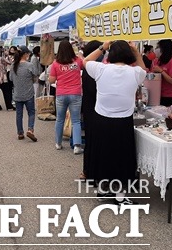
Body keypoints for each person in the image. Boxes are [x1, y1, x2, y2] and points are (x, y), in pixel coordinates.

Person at [83, 40, 147, 205]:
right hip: (123, 122)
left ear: (110, 54)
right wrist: (136, 52)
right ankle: (120, 196)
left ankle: (104, 190)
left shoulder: (101, 69)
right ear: (128, 55)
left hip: (101, 120)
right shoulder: (134, 73)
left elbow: (85, 61)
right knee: (121, 158)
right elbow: (144, 69)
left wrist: (101, 47)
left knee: (104, 156)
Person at [49, 40, 84, 154]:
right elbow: (85, 64)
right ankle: (77, 146)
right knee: (76, 121)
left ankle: (58, 143)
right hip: (76, 93)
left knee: (60, 119)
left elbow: (52, 80)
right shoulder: (77, 61)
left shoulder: (55, 64)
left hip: (61, 94)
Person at [80, 40, 103, 181]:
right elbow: (94, 91)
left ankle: (87, 171)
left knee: (91, 142)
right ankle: (89, 172)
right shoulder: (92, 69)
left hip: (89, 108)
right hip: (93, 110)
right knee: (93, 142)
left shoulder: (90, 68)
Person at [9, 46, 41, 141]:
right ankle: (30, 130)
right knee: (31, 112)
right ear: (25, 54)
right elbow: (36, 73)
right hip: (28, 93)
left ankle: (20, 133)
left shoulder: (13, 65)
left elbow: (11, 78)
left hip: (17, 93)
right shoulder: (29, 65)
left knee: (19, 114)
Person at [151, 39, 172, 106]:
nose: (156, 49)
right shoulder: (157, 61)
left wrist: (161, 71)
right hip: (160, 95)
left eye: (158, 47)